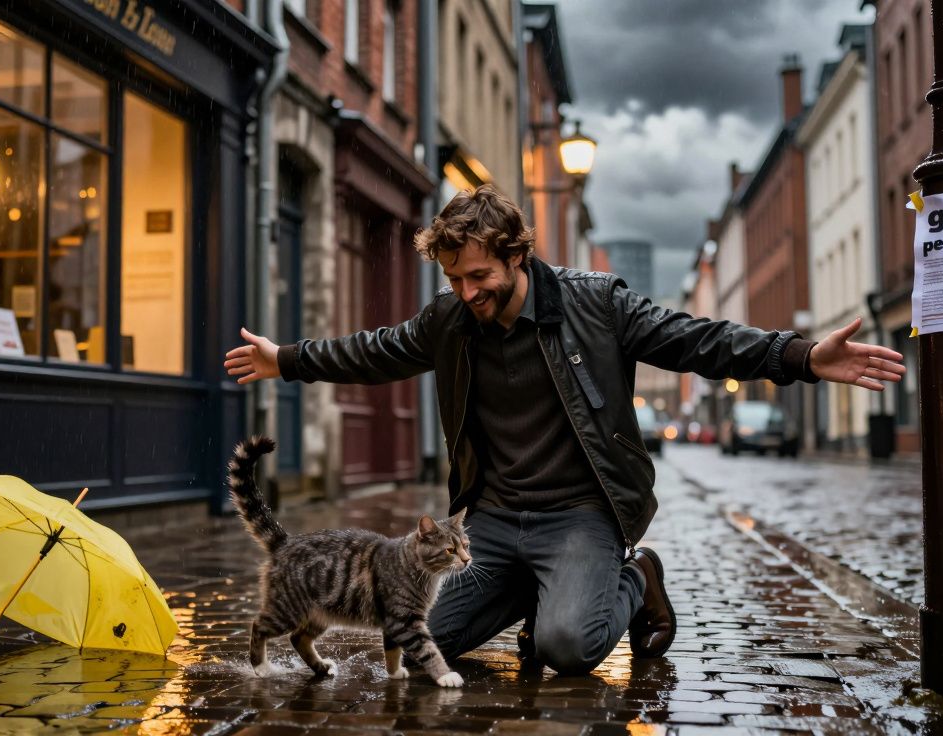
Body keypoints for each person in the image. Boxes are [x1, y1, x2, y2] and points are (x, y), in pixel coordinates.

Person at [223, 185, 905, 675]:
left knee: (567, 650)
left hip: (580, 515)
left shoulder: (595, 303)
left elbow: (699, 340)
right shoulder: (450, 321)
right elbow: (374, 351)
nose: (468, 293)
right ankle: (537, 587)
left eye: (480, 276)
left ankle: (636, 578)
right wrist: (285, 358)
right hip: (490, 521)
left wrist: (802, 357)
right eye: (455, 278)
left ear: (516, 255)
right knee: (418, 636)